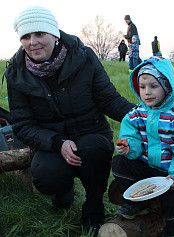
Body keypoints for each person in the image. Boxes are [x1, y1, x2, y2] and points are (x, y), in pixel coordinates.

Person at [5, 6, 135, 236]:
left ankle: (93, 209)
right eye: (26, 37)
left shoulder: (83, 56)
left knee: (95, 150)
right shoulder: (17, 72)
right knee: (47, 176)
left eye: (39, 34)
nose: (32, 42)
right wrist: (57, 142)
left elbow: (109, 99)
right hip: (50, 141)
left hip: (90, 131)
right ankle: (62, 194)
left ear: (54, 34)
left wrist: (143, 117)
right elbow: (22, 124)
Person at [111, 56, 174, 236]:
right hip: (145, 168)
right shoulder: (135, 114)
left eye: (154, 86)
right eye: (142, 87)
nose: (147, 92)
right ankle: (138, 203)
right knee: (119, 162)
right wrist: (129, 148)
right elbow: (130, 137)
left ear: (167, 88)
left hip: (169, 174)